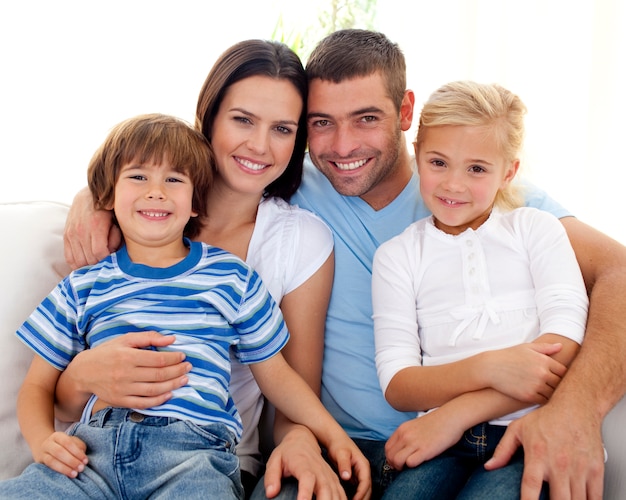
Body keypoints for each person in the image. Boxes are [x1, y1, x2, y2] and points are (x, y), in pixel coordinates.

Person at [64, 30, 626, 500]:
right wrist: (94, 196)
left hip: (469, 437)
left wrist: (576, 408)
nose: (341, 145)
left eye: (365, 118)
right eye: (320, 123)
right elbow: (165, 165)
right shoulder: (287, 190)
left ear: (405, 111)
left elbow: (619, 274)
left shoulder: (484, 194)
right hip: (337, 444)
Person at [58, 39, 371, 500]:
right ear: (209, 116)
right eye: (242, 119)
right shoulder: (140, 215)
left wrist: (307, 439)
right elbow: (59, 394)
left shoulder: (298, 239)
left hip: (204, 464)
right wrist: (91, 196)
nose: (260, 146)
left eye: (282, 129)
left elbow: (292, 392)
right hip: (94, 456)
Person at [371, 81, 589, 498]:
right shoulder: (398, 256)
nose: (453, 184)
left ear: (508, 171)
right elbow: (398, 383)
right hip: (438, 444)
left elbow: (562, 345)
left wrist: (456, 414)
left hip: (524, 436)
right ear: (417, 155)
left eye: (476, 169)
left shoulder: (534, 231)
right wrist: (489, 367)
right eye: (438, 162)